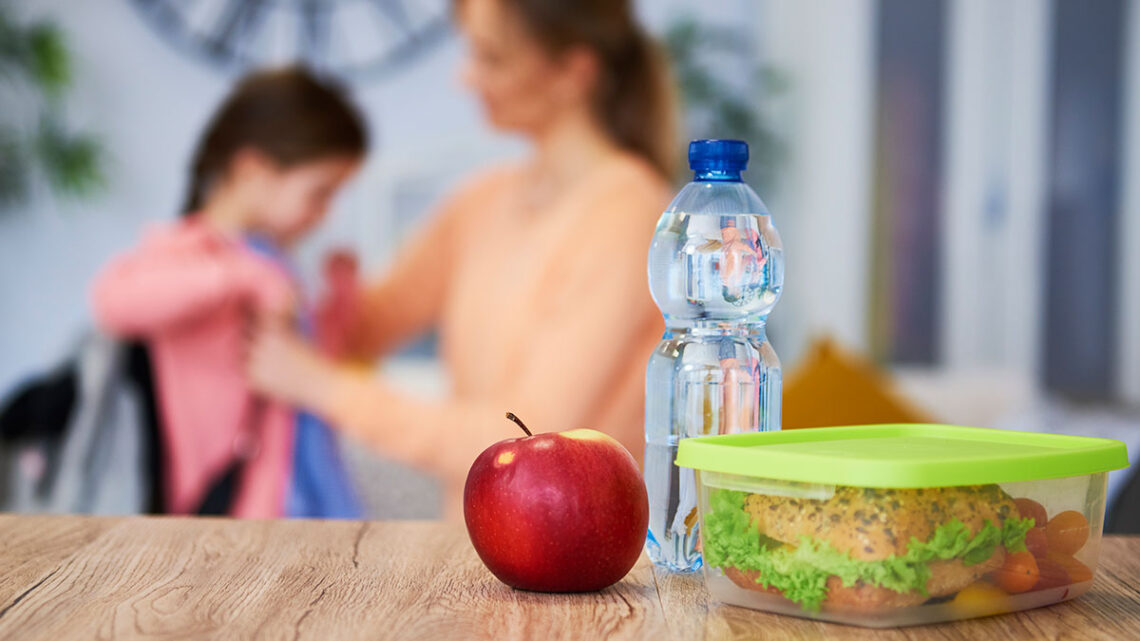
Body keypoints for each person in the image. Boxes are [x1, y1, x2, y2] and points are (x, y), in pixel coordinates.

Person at [248, 0, 676, 519]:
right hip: (477, 543)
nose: (465, 78)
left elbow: (531, 441)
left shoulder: (627, 214)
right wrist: (260, 239)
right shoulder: (481, 201)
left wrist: (319, 386)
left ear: (572, 72)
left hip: (583, 552)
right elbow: (361, 328)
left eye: (491, 58)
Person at [91, 67, 367, 518]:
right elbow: (112, 300)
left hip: (309, 492)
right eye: (319, 193)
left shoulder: (275, 261)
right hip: (240, 507)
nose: (324, 214)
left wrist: (341, 303)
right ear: (252, 170)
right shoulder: (191, 251)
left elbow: (306, 370)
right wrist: (240, 277)